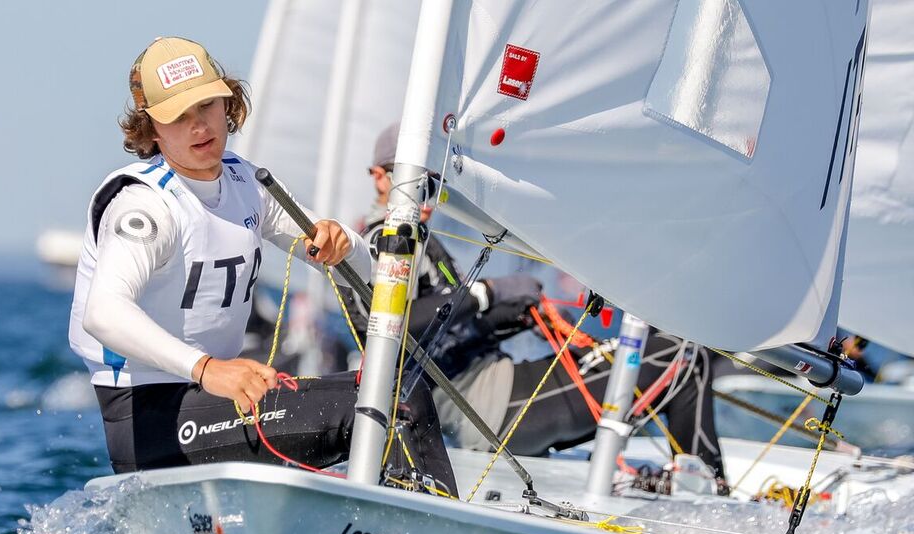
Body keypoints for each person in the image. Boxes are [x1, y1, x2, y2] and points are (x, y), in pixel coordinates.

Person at [69, 38, 455, 494]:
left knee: (398, 387)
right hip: (149, 417)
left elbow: (353, 260)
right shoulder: (144, 205)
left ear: (227, 102)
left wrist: (342, 241)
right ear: (151, 128)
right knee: (394, 401)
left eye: (207, 106)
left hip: (212, 400)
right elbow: (103, 313)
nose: (199, 126)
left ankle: (392, 532)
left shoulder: (244, 182)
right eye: (178, 117)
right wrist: (209, 368)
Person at [353, 122, 727, 489]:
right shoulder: (384, 243)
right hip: (489, 410)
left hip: (496, 392)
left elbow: (442, 338)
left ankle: (695, 484)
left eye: (435, 177)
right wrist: (487, 293)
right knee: (684, 357)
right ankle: (713, 496)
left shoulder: (418, 239)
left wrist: (504, 317)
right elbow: (390, 329)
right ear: (379, 178)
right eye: (414, 177)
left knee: (671, 358)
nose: (427, 190)